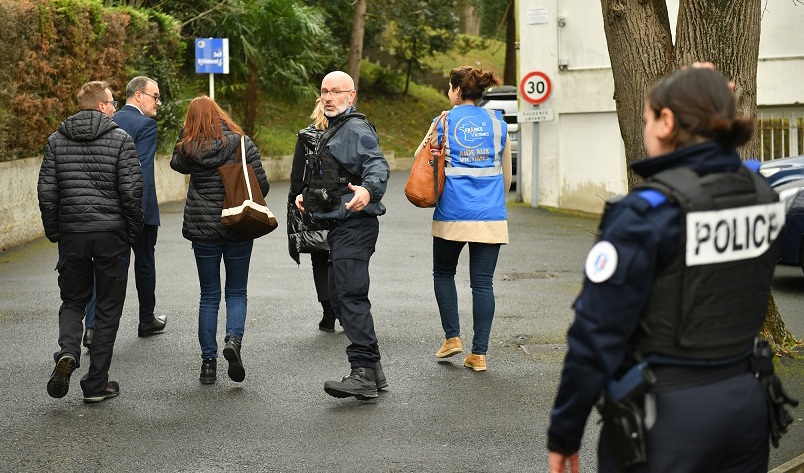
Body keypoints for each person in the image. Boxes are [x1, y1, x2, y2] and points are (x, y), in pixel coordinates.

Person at [547, 66, 794, 472]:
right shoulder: (761, 196)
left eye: (647, 119)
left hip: (666, 419)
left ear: (666, 122)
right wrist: (708, 94)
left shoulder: (645, 213)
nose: (645, 131)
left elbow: (596, 334)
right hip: (747, 404)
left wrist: (564, 432)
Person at [38, 80, 143, 403]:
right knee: (109, 308)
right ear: (100, 106)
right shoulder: (121, 140)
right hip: (111, 235)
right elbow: (131, 192)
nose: (114, 108)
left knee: (72, 300)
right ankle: (96, 384)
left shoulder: (56, 141)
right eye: (112, 103)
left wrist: (56, 231)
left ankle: (68, 350)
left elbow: (47, 193)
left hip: (72, 234)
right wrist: (132, 231)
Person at [295, 71, 390, 400]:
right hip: (338, 226)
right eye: (325, 91)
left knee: (349, 295)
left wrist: (368, 189)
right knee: (338, 295)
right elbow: (329, 177)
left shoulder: (356, 128)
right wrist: (306, 197)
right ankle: (375, 372)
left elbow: (377, 165)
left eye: (337, 92)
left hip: (356, 225)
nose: (329, 97)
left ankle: (362, 372)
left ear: (352, 96)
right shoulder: (332, 129)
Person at [170, 96, 269, 385]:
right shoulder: (240, 142)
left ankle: (208, 363)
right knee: (237, 291)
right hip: (237, 223)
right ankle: (233, 341)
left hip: (203, 230)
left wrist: (185, 134)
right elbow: (260, 183)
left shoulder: (189, 147)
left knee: (209, 295)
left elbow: (177, 165)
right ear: (220, 115)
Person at [420, 66, 512, 372]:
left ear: (457, 91)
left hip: (452, 212)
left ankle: (453, 338)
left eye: (450, 87)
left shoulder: (444, 120)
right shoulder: (498, 123)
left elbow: (423, 159)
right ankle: (479, 354)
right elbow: (507, 176)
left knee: (444, 273)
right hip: (491, 214)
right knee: (482, 283)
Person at [83, 75, 166, 348]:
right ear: (139, 96)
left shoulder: (109, 121)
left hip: (107, 208)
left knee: (102, 269)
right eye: (155, 97)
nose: (158, 103)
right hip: (138, 210)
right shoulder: (146, 125)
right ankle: (146, 319)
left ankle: (92, 327)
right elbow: (139, 172)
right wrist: (137, 215)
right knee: (144, 265)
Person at [287, 98, 336, 332]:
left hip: (313, 203)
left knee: (319, 257)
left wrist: (297, 198)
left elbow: (297, 174)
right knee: (341, 257)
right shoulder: (345, 133)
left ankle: (328, 312)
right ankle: (344, 308)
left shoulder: (306, 137)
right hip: (340, 201)